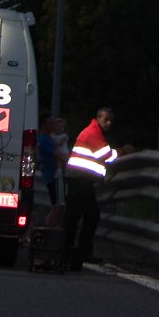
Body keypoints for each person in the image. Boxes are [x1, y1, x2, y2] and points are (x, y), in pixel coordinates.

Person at [63, 106, 120, 270]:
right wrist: (123, 151)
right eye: (106, 119)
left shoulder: (93, 131)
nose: (108, 123)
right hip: (80, 180)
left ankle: (72, 254)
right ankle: (77, 254)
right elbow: (106, 156)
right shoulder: (93, 133)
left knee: (77, 217)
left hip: (80, 180)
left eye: (111, 121)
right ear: (98, 118)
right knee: (88, 216)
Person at [36, 114, 68, 206]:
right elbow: (60, 156)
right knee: (58, 206)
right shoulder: (44, 140)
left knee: (60, 206)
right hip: (53, 176)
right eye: (51, 123)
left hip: (52, 175)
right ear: (43, 125)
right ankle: (50, 221)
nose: (53, 125)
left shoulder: (48, 138)